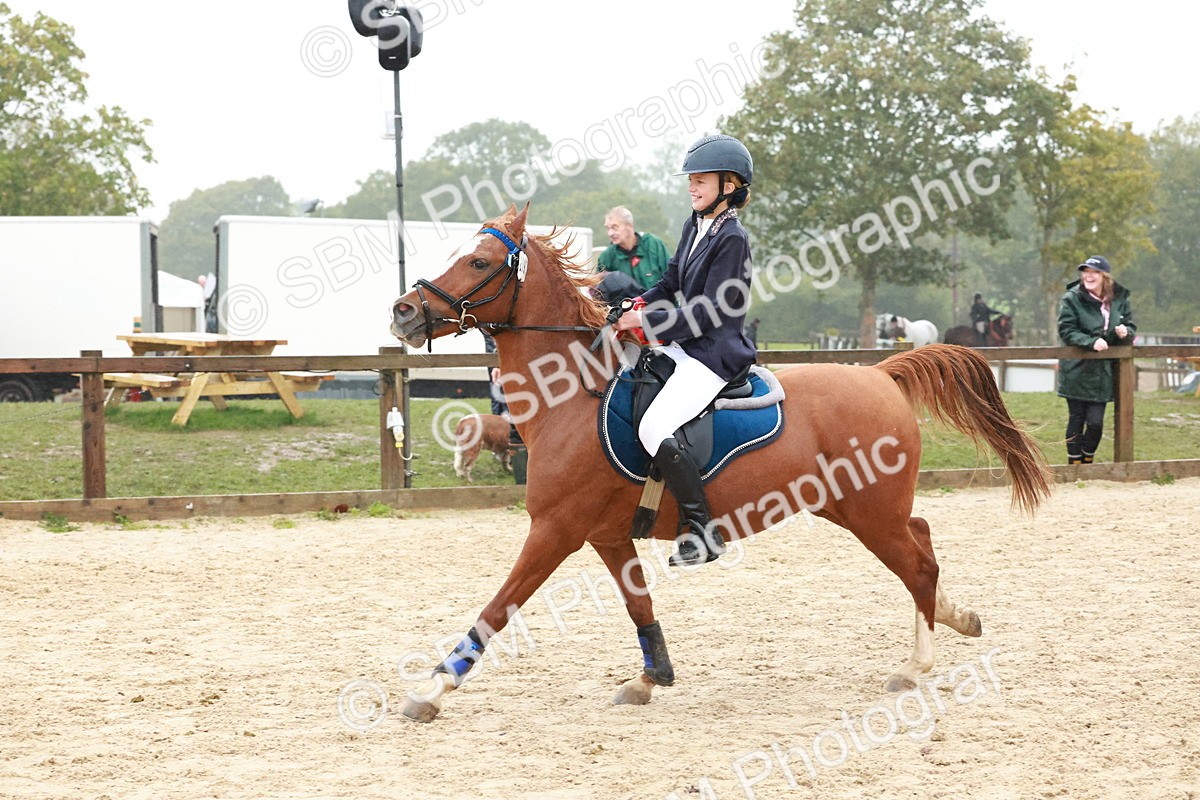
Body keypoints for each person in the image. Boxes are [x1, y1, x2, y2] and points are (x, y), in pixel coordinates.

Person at [615, 134, 756, 567]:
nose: (691, 187)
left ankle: (704, 530)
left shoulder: (732, 237)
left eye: (700, 180)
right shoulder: (693, 225)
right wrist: (640, 301)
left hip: (714, 352)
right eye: (690, 180)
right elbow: (671, 280)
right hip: (685, 346)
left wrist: (648, 322)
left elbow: (710, 310)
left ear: (728, 185)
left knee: (655, 426)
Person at [1056, 255, 1135, 465]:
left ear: (1104, 276)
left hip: (1103, 372)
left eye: (1094, 272)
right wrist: (1090, 342)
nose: (1088, 276)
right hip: (1077, 369)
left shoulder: (1118, 298)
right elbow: (1066, 330)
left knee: (1095, 423)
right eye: (1085, 271)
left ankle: (1088, 460)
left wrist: (1124, 332)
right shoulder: (1072, 298)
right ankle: (1074, 465)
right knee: (1077, 418)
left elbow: (1131, 326)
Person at [597, 207, 671, 291]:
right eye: (607, 228)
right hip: (625, 303)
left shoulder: (653, 244)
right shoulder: (607, 257)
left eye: (615, 227)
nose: (610, 233)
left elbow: (672, 277)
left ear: (629, 226)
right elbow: (599, 293)